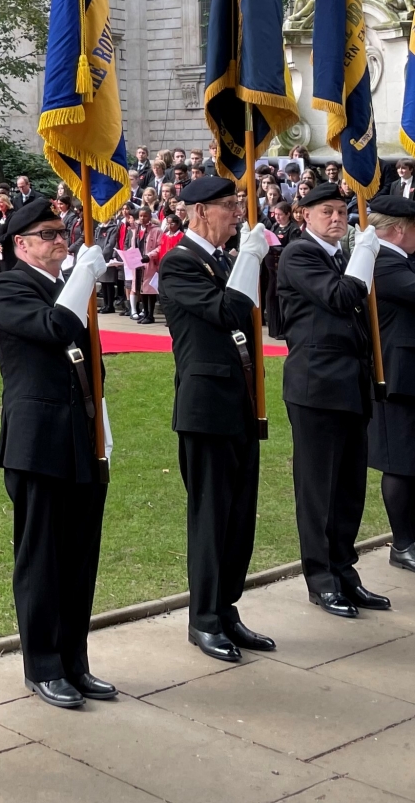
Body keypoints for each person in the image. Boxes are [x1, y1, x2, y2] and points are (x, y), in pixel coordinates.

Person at [0, 195, 114, 709]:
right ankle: (43, 666)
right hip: (37, 442)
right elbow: (53, 329)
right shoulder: (8, 286)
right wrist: (83, 277)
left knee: (80, 557)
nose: (60, 241)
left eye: (62, 233)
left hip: (80, 435)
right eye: (47, 235)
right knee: (42, 559)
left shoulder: (65, 286)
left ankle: (74, 661)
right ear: (20, 244)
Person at [158, 177, 274, 662]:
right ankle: (203, 617)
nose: (236, 213)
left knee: (239, 517)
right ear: (199, 211)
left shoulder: (218, 260)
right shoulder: (180, 262)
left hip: (240, 403)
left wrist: (241, 258)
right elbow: (230, 311)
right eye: (229, 206)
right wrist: (249, 258)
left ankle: (227, 608)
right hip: (206, 408)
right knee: (210, 518)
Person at [277, 179, 390, 616]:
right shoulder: (300, 254)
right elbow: (342, 297)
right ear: (305, 215)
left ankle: (344, 570)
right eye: (327, 212)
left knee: (348, 489)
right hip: (316, 389)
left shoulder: (337, 254)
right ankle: (320, 577)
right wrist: (366, 252)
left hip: (349, 387)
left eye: (342, 212)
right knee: (318, 489)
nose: (338, 219)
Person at [363, 195, 415, 574]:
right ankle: (403, 542)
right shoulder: (383, 263)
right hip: (397, 377)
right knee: (400, 462)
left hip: (408, 374)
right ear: (398, 229)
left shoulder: (400, 260)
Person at [0, 192, 17, 272]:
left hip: (8, 251)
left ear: (6, 203)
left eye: (1, 202)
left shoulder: (12, 215)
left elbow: (10, 232)